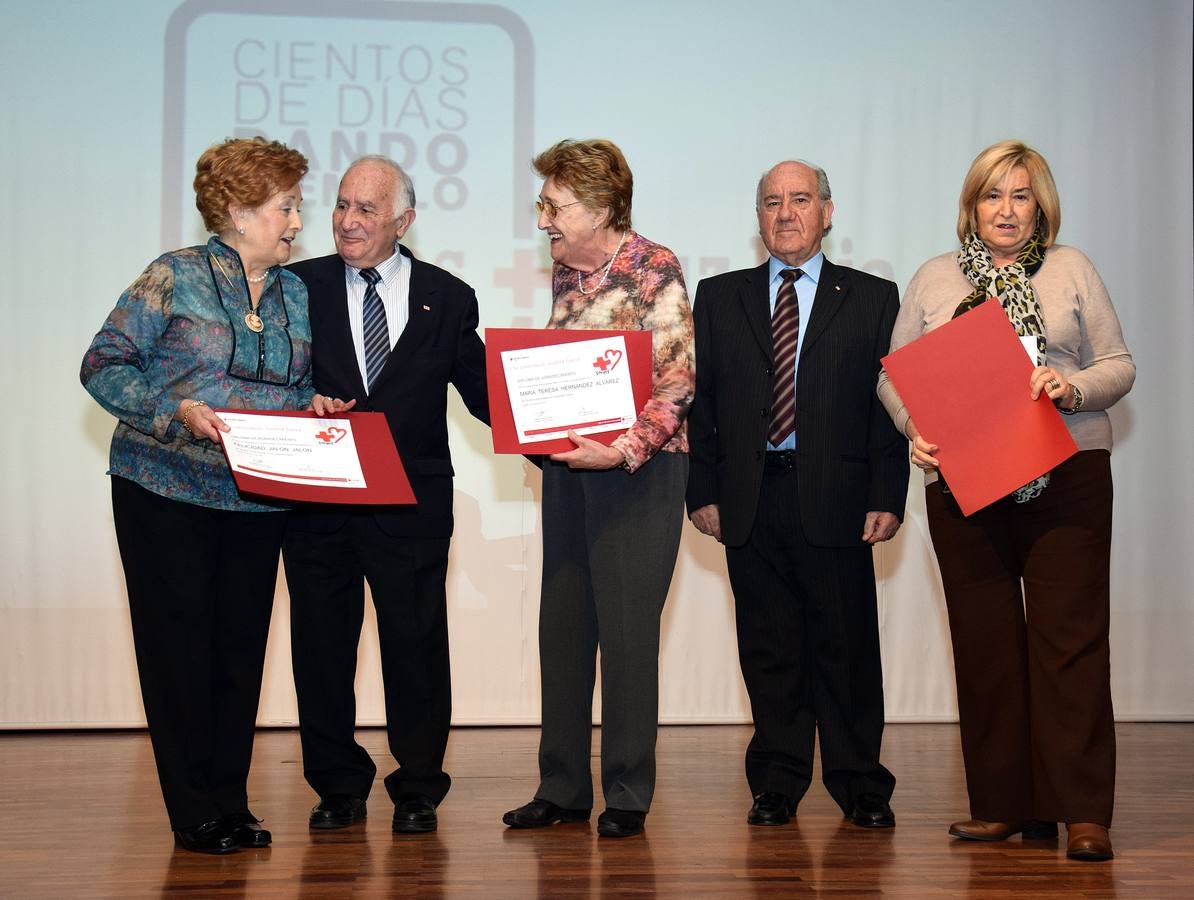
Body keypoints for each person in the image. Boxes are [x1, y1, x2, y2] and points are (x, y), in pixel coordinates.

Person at [878, 140, 1134, 861]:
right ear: (972, 206)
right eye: (993, 195)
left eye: (1021, 195)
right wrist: (913, 427)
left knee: (1068, 644)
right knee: (985, 647)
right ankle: (1001, 806)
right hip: (962, 483)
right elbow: (893, 376)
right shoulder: (935, 279)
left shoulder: (1072, 268)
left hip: (1068, 476)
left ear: (1040, 205)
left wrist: (1071, 386)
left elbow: (1119, 363)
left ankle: (1081, 811)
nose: (1007, 210)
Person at [81, 137, 315, 854]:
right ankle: (193, 813)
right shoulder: (172, 277)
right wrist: (170, 412)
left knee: (240, 653)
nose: (298, 222)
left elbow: (293, 387)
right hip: (165, 490)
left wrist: (315, 411)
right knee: (179, 650)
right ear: (240, 211)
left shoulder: (295, 291)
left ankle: (231, 803)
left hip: (257, 501)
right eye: (286, 207)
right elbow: (102, 363)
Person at [686, 160, 907, 830]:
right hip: (750, 498)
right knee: (769, 649)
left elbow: (890, 407)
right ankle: (777, 781)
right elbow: (704, 405)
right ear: (757, 217)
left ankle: (860, 783)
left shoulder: (872, 297)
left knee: (846, 649)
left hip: (837, 497)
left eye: (800, 199)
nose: (785, 212)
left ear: (828, 212)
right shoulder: (719, 296)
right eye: (772, 202)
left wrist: (887, 494)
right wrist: (702, 489)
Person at [282, 156, 489, 835]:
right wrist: (296, 404)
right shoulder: (295, 285)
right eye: (341, 205)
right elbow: (266, 379)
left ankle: (419, 786)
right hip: (320, 504)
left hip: (412, 507)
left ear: (403, 220)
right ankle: (337, 785)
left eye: (366, 209)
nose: (347, 220)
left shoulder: (448, 296)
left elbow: (486, 392)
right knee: (321, 649)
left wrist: (566, 430)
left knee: (416, 647)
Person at [502, 139, 694, 839]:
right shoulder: (568, 277)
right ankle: (561, 787)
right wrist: (533, 427)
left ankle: (626, 793)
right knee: (564, 628)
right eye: (543, 204)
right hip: (571, 475)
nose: (544, 218)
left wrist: (620, 450)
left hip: (638, 476)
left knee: (626, 634)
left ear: (603, 206)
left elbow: (676, 383)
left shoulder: (653, 268)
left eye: (554, 205)